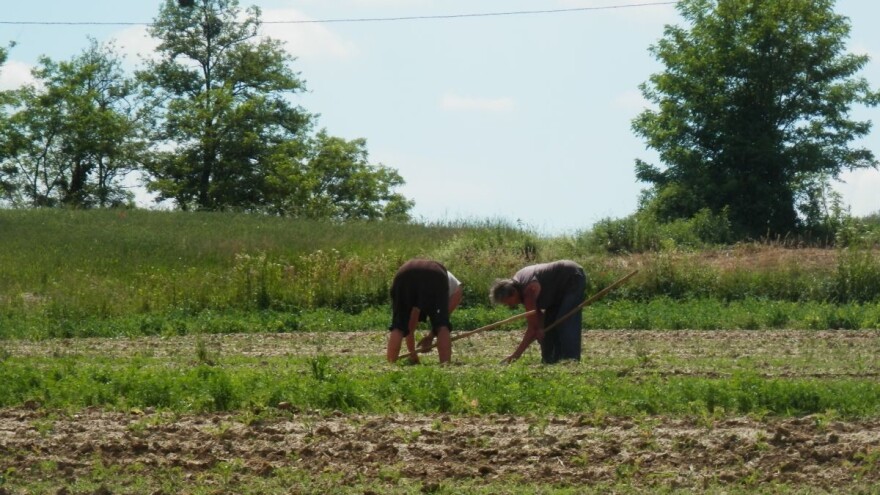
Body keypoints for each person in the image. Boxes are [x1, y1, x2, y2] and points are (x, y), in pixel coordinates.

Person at [490, 260, 587, 364]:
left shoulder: (528, 291)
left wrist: (515, 355)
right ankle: (551, 360)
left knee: (565, 320)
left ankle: (571, 360)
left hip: (571, 276)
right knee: (548, 324)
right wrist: (541, 330)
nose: (509, 306)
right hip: (556, 292)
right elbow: (538, 321)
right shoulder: (518, 285)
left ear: (513, 293)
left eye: (507, 302)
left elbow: (533, 329)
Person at [386, 259, 463, 364]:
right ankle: (445, 365)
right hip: (434, 276)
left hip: (404, 274)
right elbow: (440, 321)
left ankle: (390, 365)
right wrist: (414, 354)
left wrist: (429, 337)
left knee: (398, 326)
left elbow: (409, 325)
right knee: (442, 325)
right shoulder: (456, 291)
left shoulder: (454, 289)